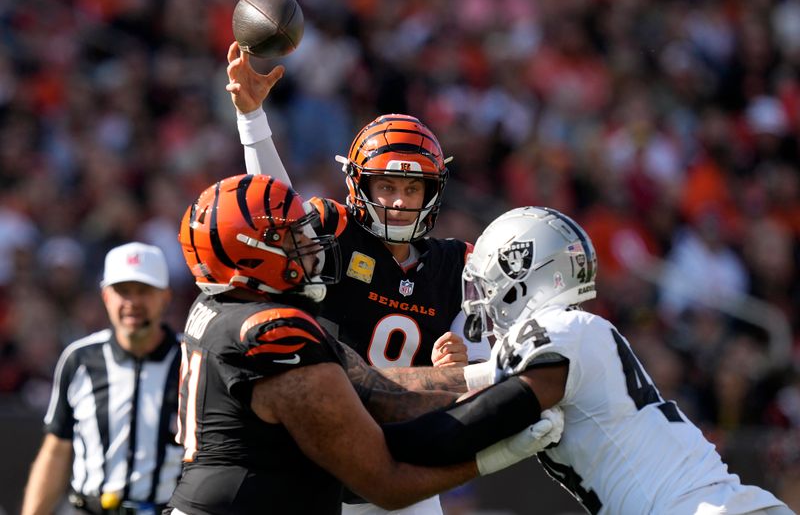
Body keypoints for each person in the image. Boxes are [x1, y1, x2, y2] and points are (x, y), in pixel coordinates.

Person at [168, 173, 563, 514]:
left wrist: (498, 375)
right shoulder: (273, 333)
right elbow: (386, 482)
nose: (312, 244)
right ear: (253, 256)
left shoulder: (223, 306)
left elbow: (376, 384)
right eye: (294, 238)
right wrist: (502, 442)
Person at [226, 42, 490, 514]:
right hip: (322, 452)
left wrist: (466, 356)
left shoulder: (456, 264)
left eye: (412, 188)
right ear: (358, 184)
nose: (398, 201)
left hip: (404, 461)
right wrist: (253, 119)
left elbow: (488, 358)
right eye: (386, 186)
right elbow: (278, 214)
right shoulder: (334, 232)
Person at [461, 206, 795, 515]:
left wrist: (416, 387)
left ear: (518, 278)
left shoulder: (560, 330)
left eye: (488, 287)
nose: (481, 304)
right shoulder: (577, 339)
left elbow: (473, 407)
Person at [21, 242, 183, 515]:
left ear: (165, 297)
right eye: (122, 291)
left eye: (143, 291)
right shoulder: (80, 359)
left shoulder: (191, 361)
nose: (132, 303)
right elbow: (56, 450)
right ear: (106, 296)